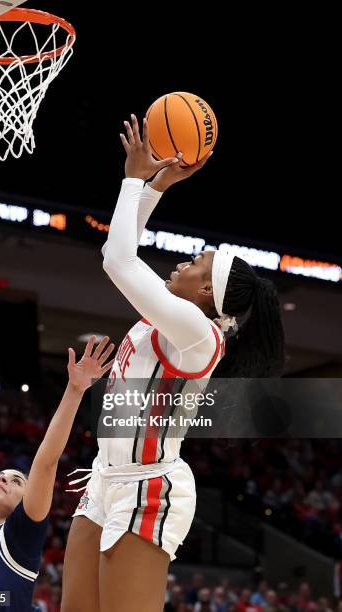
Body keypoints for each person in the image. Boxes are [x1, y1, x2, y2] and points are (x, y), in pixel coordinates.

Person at [62, 115, 285, 612]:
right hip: (105, 476)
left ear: (207, 292)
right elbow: (120, 246)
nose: (181, 264)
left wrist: (132, 179)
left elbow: (118, 259)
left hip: (148, 489)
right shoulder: (172, 314)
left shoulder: (196, 333)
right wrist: (155, 186)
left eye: (195, 265)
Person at [0, 338, 114, 611]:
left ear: (26, 502)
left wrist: (75, 390)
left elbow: (45, 463)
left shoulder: (20, 537)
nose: (2, 479)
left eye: (16, 480)